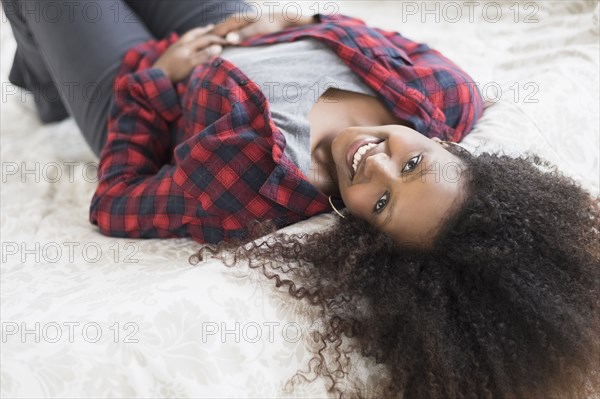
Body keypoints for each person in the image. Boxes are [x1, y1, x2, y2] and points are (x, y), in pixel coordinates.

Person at [3, 1, 599, 398]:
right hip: (232, 23)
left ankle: (48, 81)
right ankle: (43, 71)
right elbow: (377, 36)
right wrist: (295, 19)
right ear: (448, 144)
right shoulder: (445, 92)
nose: (376, 162)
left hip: (141, 86)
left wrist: (158, 80)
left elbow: (115, 199)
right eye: (414, 163)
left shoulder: (248, 190)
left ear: (366, 231)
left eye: (383, 202)